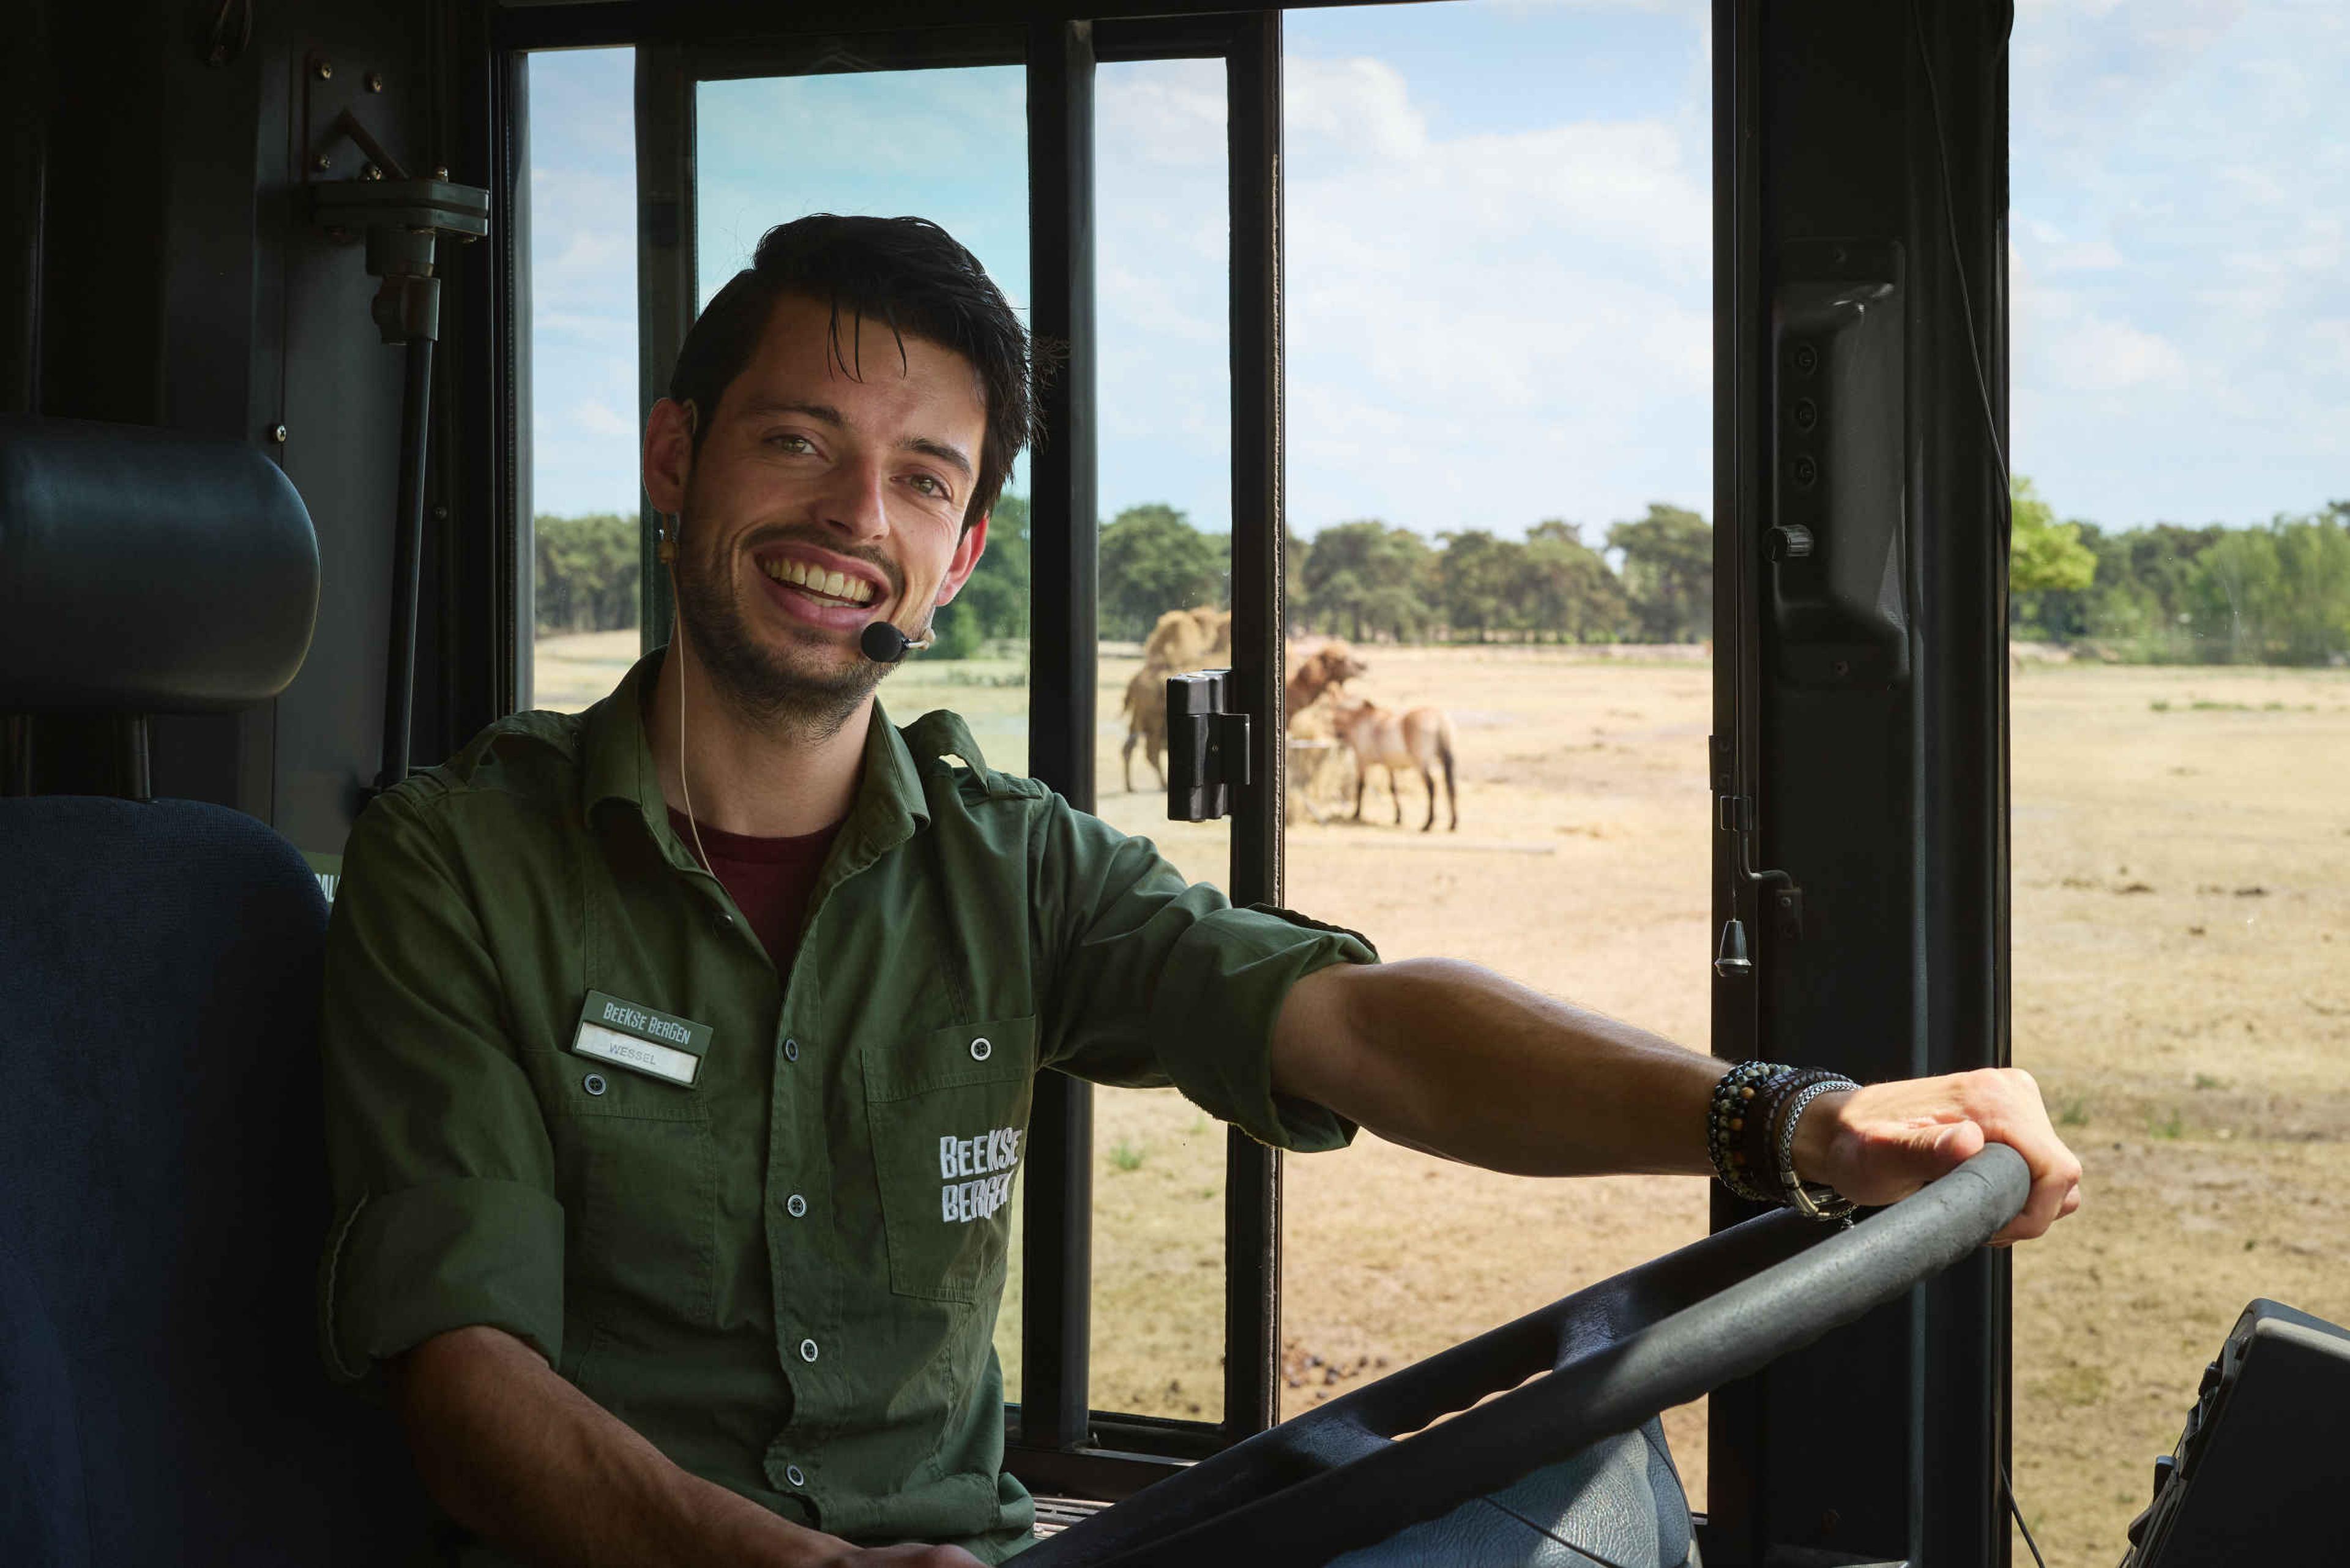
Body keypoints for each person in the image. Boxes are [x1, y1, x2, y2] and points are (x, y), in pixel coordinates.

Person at [319, 214, 2082, 1568]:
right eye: (795, 442)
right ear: (673, 459)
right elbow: (471, 1388)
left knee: (1593, 1491)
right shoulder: (455, 864)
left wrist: (1789, 1117)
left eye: (923, 477)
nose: (854, 511)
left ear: (963, 551)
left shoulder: (1011, 860)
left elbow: (1363, 1029)